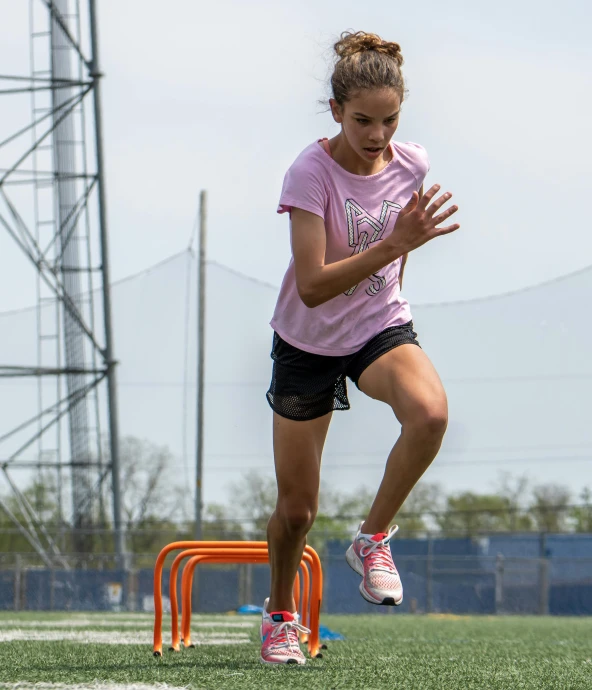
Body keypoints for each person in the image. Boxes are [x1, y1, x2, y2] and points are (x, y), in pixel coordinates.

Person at [259, 30, 460, 665]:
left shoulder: (413, 163)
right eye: (363, 121)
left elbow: (398, 254)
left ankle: (372, 539)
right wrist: (394, 246)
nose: (377, 135)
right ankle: (279, 618)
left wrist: (393, 280)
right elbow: (314, 286)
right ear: (336, 111)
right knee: (296, 511)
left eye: (390, 119)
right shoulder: (309, 172)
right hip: (307, 341)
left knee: (430, 414)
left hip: (377, 327)